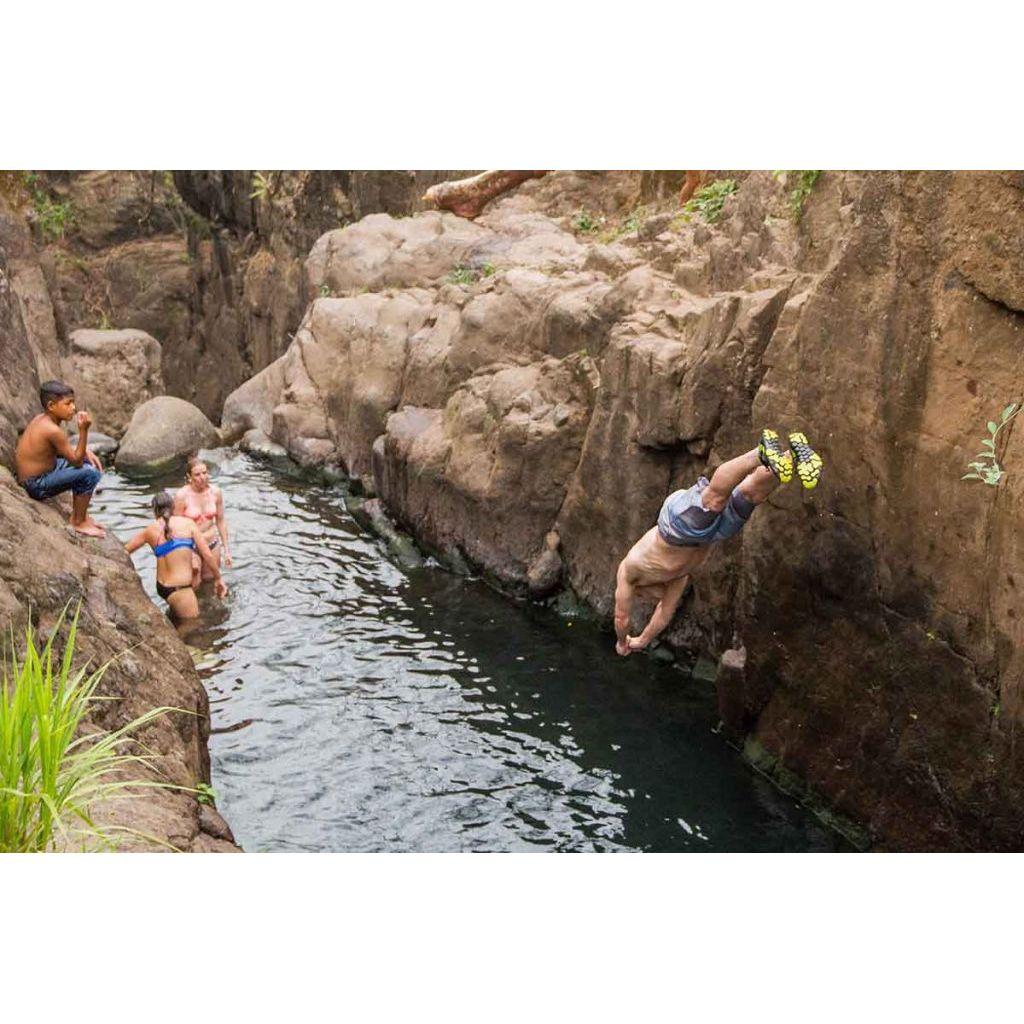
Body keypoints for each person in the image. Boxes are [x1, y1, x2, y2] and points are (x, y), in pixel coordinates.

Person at [614, 429, 823, 656]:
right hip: (711, 536)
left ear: (640, 591)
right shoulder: (677, 578)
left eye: (642, 598)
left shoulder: (628, 571)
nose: (648, 600)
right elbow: (664, 613)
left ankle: (758, 452)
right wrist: (643, 640)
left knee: (713, 500)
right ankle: (794, 454)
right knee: (750, 495)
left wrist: (622, 641)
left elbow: (621, 617)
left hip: (675, 527)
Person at [14, 379, 106, 537]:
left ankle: (81, 514)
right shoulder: (52, 430)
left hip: (40, 472)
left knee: (86, 460)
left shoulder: (42, 419)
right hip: (36, 484)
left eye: (73, 403)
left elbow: (56, 450)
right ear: (51, 406)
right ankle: (78, 522)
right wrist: (83, 431)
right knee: (90, 474)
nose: (73, 408)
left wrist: (84, 452)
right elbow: (76, 461)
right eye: (68, 403)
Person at [125, 491, 228, 619]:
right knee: (193, 625)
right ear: (173, 506)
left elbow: (125, 551)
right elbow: (207, 554)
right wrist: (218, 578)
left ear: (155, 510)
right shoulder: (187, 524)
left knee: (177, 616)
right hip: (180, 588)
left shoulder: (149, 530)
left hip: (163, 587)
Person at [173, 455, 232, 588]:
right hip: (191, 546)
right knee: (194, 584)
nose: (202, 477)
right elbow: (176, 529)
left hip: (212, 543)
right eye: (197, 474)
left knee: (211, 581)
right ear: (189, 477)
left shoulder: (216, 493)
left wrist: (226, 550)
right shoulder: (182, 496)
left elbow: (221, 521)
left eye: (205, 473)